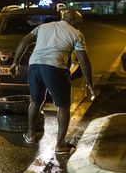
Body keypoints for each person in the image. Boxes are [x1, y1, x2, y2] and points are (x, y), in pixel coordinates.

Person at [10, 9, 96, 154]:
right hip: (54, 68)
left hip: (34, 66)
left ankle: (30, 134)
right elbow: (84, 61)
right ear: (71, 19)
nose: (80, 26)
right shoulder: (76, 34)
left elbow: (25, 40)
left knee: (35, 101)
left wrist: (15, 62)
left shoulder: (43, 27)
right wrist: (89, 83)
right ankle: (60, 145)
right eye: (79, 23)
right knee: (63, 106)